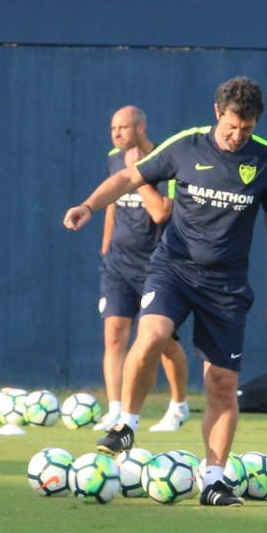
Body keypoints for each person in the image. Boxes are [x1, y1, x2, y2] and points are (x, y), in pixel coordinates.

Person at [63, 77, 267, 507]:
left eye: (247, 128)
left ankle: (214, 480)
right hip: (173, 270)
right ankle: (126, 422)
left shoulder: (266, 160)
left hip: (226, 285)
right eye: (231, 126)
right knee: (149, 335)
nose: (237, 135)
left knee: (222, 384)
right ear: (216, 112)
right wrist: (89, 206)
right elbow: (129, 178)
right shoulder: (186, 146)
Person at [94, 106, 190, 434]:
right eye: (113, 127)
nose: (117, 134)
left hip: (156, 267)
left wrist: (137, 175)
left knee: (161, 343)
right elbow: (111, 204)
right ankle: (116, 410)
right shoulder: (112, 158)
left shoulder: (166, 160)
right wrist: (106, 248)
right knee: (115, 334)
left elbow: (161, 211)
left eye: (123, 127)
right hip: (117, 264)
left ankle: (179, 406)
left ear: (141, 127)